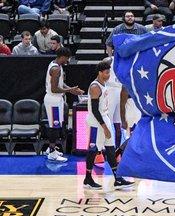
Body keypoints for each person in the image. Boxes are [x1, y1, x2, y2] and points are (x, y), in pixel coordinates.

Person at [84, 60, 135, 190]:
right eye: (106, 73)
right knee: (93, 150)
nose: (108, 75)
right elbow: (95, 111)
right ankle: (88, 178)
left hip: (104, 118)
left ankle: (117, 179)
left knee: (111, 149)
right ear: (100, 73)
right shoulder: (95, 87)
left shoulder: (104, 85)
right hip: (96, 122)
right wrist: (105, 127)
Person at [44, 47, 83, 162]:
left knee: (57, 125)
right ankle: (52, 153)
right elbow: (55, 89)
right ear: (62, 57)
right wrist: (69, 90)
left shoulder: (56, 65)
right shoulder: (56, 69)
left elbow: (61, 84)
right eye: (67, 58)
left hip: (56, 99)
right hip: (53, 99)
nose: (68, 60)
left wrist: (71, 89)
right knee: (54, 127)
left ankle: (50, 149)